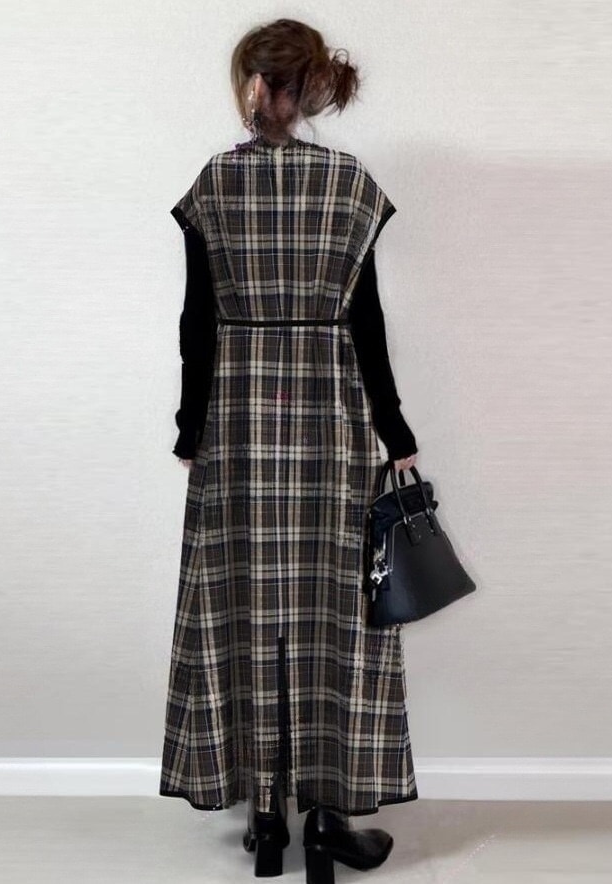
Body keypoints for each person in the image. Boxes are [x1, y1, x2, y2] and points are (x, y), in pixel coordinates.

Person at [160, 19, 420, 883]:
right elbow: (366, 322)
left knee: (244, 607)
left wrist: (190, 426)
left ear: (254, 85)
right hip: (330, 415)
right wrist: (395, 433)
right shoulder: (349, 184)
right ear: (308, 90)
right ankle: (328, 822)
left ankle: (267, 820)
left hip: (238, 417)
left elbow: (197, 322)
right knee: (336, 613)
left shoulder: (215, 184)